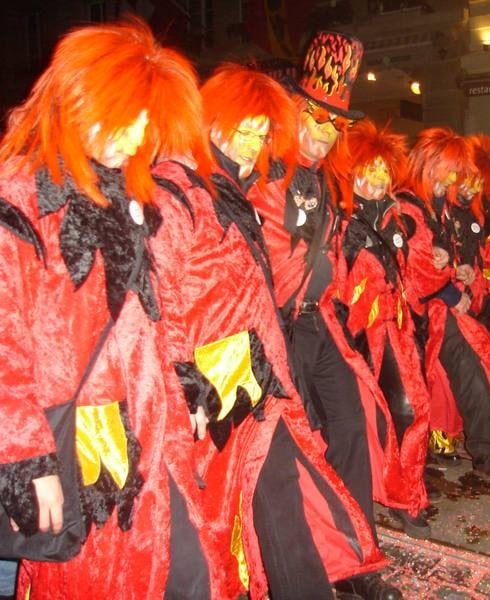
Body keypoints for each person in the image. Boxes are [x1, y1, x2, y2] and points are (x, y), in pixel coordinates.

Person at [151, 64, 386, 599]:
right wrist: (187, 378)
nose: (251, 141)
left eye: (259, 131)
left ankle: (351, 559)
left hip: (273, 344)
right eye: (242, 128)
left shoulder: (250, 183)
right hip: (231, 360)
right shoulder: (196, 186)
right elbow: (163, 295)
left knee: (336, 431)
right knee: (263, 480)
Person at [0, 19, 214, 598]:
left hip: (152, 423)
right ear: (78, 102)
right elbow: (4, 347)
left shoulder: (127, 193)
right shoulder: (21, 195)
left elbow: (156, 308)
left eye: (147, 123)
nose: (137, 138)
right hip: (82, 442)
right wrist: (27, 459)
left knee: (191, 573)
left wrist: (187, 381)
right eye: (126, 117)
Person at [253, 31, 404, 600]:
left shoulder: (325, 178)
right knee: (294, 448)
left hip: (321, 324)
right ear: (292, 111)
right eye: (314, 119)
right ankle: (315, 560)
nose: (323, 133)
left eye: (334, 124)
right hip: (276, 329)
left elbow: (331, 253)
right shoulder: (262, 172)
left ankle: (358, 557)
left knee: (352, 424)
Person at [397, 127, 490, 482]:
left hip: (435, 308)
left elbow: (442, 254)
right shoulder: (407, 204)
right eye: (449, 170)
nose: (453, 179)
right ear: (429, 164)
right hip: (411, 314)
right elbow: (416, 267)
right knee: (413, 389)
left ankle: (484, 450)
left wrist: (458, 268)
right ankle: (417, 467)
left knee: (471, 367)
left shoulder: (440, 207)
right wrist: (452, 292)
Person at [336, 118, 432, 537]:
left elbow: (411, 274)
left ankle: (406, 489)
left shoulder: (394, 218)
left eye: (383, 170)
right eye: (369, 168)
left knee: (409, 409)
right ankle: (399, 494)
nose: (377, 178)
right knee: (399, 411)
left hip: (400, 329)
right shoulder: (338, 220)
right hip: (357, 338)